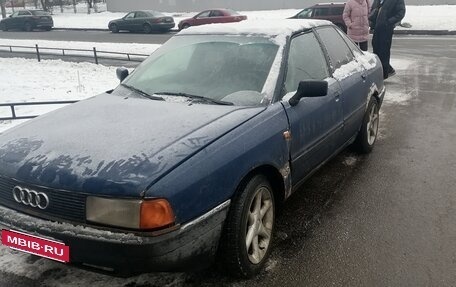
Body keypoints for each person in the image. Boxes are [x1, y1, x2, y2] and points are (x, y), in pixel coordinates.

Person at [370, 0, 406, 79]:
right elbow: (373, 9)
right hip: (377, 28)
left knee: (384, 51)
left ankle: (384, 74)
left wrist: (389, 22)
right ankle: (384, 70)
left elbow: (401, 12)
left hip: (386, 29)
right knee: (376, 49)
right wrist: (372, 23)